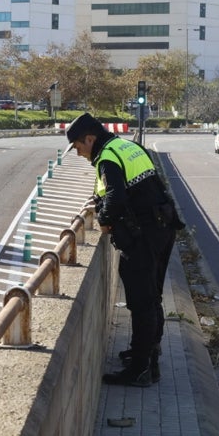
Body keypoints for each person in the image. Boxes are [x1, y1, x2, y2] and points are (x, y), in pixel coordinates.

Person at [66, 113, 181, 387]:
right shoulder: (129, 147)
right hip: (164, 227)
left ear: (90, 139)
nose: (79, 153)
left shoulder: (107, 158)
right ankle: (147, 355)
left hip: (144, 237)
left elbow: (116, 197)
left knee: (141, 302)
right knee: (152, 297)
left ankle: (141, 370)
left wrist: (104, 221)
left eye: (79, 147)